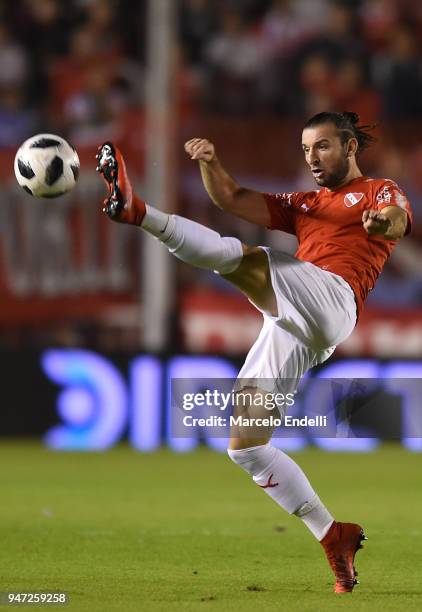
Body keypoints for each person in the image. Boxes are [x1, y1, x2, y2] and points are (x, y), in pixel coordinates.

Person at [96, 111, 412, 593]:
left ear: (350, 147)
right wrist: (210, 162)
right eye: (306, 149)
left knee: (239, 259)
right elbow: (232, 197)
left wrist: (379, 221)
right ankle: (334, 535)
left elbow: (398, 221)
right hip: (298, 325)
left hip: (333, 297)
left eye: (323, 146)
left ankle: (138, 212)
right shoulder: (305, 205)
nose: (312, 157)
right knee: (246, 447)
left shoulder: (376, 191)